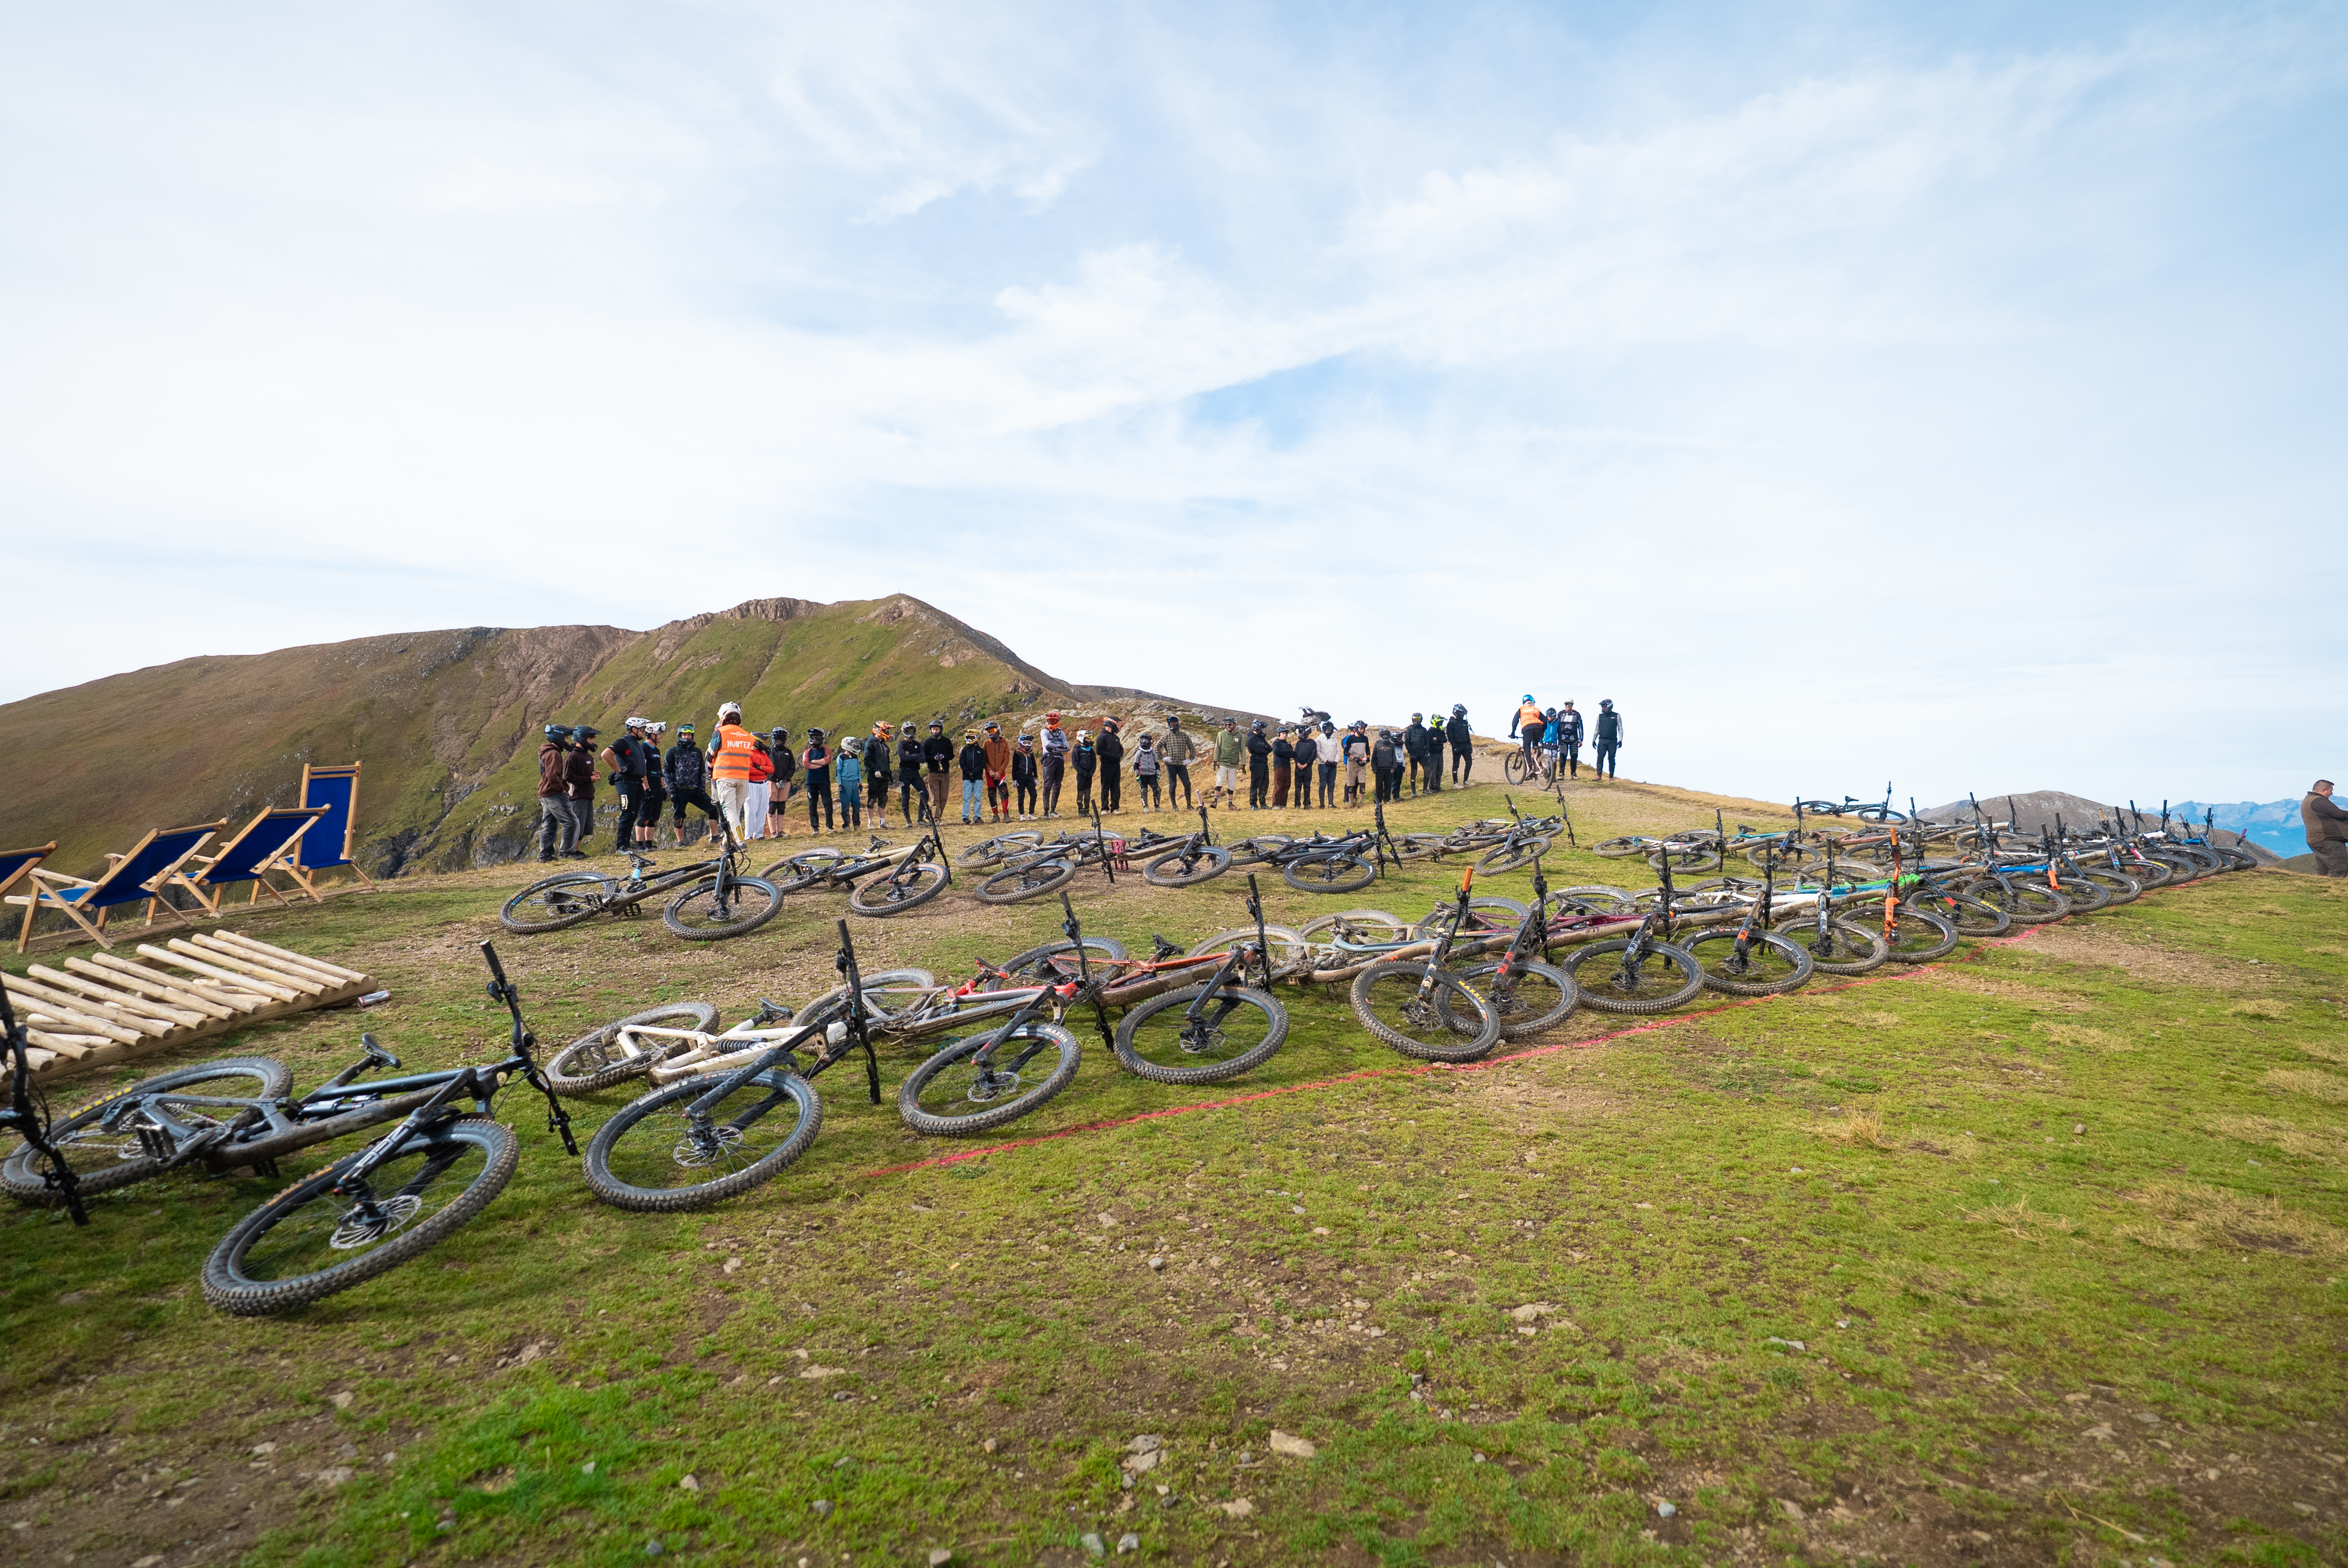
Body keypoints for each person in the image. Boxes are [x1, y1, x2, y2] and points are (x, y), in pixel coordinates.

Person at [706, 704, 759, 843]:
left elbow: (710, 756)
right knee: (736, 811)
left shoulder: (720, 733)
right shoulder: (747, 735)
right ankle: (726, 840)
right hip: (743, 778)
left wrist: (711, 769)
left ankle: (739, 840)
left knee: (729, 811)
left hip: (725, 777)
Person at [602, 716, 655, 855]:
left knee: (633, 814)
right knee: (627, 812)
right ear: (634, 729)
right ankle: (621, 846)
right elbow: (606, 754)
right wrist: (619, 770)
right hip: (625, 783)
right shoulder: (623, 742)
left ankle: (626, 845)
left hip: (637, 782)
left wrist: (646, 785)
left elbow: (641, 766)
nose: (644, 732)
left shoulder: (636, 744)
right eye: (642, 729)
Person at [665, 721, 720, 847]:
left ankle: (715, 837)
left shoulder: (698, 752)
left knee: (713, 809)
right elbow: (667, 771)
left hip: (696, 790)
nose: (687, 737)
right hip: (679, 790)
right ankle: (681, 842)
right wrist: (672, 790)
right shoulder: (672, 752)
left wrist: (701, 787)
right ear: (680, 735)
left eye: (689, 735)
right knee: (679, 815)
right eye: (684, 735)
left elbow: (702, 771)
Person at [536, 725, 578, 861]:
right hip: (553, 793)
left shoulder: (546, 752)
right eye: (565, 737)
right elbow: (553, 776)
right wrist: (562, 789)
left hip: (545, 793)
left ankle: (545, 855)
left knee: (549, 824)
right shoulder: (554, 753)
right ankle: (567, 852)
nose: (567, 741)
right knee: (571, 822)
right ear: (559, 737)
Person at [564, 723, 600, 852]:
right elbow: (568, 777)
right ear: (582, 739)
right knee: (576, 825)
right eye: (591, 739)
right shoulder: (572, 756)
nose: (592, 742)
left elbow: (582, 774)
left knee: (585, 827)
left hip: (588, 795)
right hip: (577, 796)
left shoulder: (588, 756)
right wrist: (588, 779)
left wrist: (593, 776)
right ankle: (570, 851)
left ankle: (577, 851)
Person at [636, 722, 670, 850]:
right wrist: (646, 788)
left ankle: (649, 844)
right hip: (648, 784)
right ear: (651, 735)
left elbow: (659, 770)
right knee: (644, 816)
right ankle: (640, 845)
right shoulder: (643, 749)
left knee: (654, 817)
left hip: (657, 785)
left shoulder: (656, 750)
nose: (661, 736)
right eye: (659, 734)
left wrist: (663, 788)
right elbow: (642, 769)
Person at [2304, 780, 2348, 877]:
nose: (2332, 793)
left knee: (2324, 871)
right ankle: (2333, 891)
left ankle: (2320, 891)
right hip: (2328, 841)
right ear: (2324, 790)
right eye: (2331, 790)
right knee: (2339, 870)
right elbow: (2339, 814)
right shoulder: (2319, 801)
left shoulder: (2309, 800)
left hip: (2318, 841)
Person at [742, 724, 773, 840]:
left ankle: (759, 834)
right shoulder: (749, 754)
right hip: (752, 784)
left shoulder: (764, 755)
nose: (765, 744)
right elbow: (750, 770)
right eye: (763, 742)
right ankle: (748, 835)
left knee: (763, 808)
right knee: (751, 809)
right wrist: (763, 770)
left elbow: (771, 769)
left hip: (763, 784)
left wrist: (760, 768)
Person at [801, 729, 835, 833]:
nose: (815, 740)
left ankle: (830, 826)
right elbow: (806, 765)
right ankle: (815, 828)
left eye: (817, 738)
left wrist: (813, 762)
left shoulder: (827, 750)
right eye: (813, 738)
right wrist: (821, 764)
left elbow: (828, 761)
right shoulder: (807, 752)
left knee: (828, 803)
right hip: (811, 782)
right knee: (812, 804)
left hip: (824, 781)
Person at [1160, 715, 1196, 808]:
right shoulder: (1166, 737)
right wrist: (1163, 758)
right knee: (1173, 784)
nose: (1172, 725)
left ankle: (1189, 805)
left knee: (1187, 784)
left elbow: (1192, 748)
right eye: (1171, 724)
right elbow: (1156, 747)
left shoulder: (1184, 736)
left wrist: (1190, 759)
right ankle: (1174, 806)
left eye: (1174, 724)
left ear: (1178, 724)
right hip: (1171, 765)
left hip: (1182, 764)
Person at [922, 720, 954, 825]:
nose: (935, 731)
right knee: (935, 797)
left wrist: (944, 757)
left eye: (937, 729)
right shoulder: (927, 743)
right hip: (933, 773)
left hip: (945, 773)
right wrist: (934, 758)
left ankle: (939, 817)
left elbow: (952, 755)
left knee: (944, 797)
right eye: (933, 729)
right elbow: (924, 758)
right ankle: (936, 819)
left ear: (941, 730)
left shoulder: (947, 741)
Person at [768, 728, 796, 839]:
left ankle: (780, 831)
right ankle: (773, 832)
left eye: (781, 739)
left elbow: (792, 767)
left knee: (782, 806)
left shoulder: (788, 752)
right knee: (772, 805)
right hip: (772, 781)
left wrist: (785, 779)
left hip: (785, 782)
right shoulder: (769, 751)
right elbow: (767, 767)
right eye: (777, 739)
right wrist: (775, 779)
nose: (779, 741)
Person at [897, 717, 926, 827]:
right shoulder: (901, 744)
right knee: (906, 795)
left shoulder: (918, 745)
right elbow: (903, 757)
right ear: (904, 732)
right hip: (904, 772)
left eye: (912, 731)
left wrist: (911, 756)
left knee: (925, 794)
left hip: (915, 772)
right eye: (908, 731)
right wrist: (916, 756)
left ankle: (920, 819)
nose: (911, 733)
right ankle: (908, 820)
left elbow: (923, 759)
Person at [981, 721, 1012, 823]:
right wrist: (989, 770)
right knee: (991, 794)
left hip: (1001, 774)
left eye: (993, 730)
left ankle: (1006, 814)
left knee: (1004, 792)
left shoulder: (1004, 743)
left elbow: (1006, 759)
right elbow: (984, 759)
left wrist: (999, 772)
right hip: (989, 774)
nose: (992, 733)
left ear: (998, 730)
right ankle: (995, 815)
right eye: (989, 731)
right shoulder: (986, 743)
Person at [1039, 712, 1069, 817]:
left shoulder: (1061, 733)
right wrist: (1059, 746)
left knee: (1057, 785)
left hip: (1059, 760)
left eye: (1053, 721)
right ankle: (1046, 812)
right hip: (1049, 759)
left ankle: (1053, 811)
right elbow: (1047, 744)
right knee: (1048, 784)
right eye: (1049, 721)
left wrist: (1055, 747)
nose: (1051, 723)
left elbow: (1068, 747)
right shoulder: (1044, 731)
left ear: (1058, 722)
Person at [863, 722, 893, 824]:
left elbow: (887, 761)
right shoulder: (870, 743)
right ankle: (870, 822)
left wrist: (889, 774)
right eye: (886, 731)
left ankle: (882, 822)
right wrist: (875, 770)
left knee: (883, 797)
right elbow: (867, 759)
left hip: (884, 774)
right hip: (874, 775)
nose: (888, 733)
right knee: (872, 797)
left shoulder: (884, 745)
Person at [1212, 718, 1244, 808]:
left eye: (1229, 724)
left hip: (1233, 764)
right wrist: (1215, 760)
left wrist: (1243, 764)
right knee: (1219, 780)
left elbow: (1242, 750)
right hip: (1222, 762)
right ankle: (1215, 801)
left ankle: (1230, 804)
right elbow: (1217, 747)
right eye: (1226, 725)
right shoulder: (1221, 734)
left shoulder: (1240, 736)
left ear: (1234, 725)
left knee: (1231, 783)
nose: (1227, 726)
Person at [1510, 694, 1544, 776]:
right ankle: (1541, 765)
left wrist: (1513, 733)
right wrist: (1542, 731)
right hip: (1538, 728)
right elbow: (1545, 721)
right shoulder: (1536, 710)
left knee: (1527, 747)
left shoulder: (1521, 710)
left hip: (1527, 729)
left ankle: (1531, 769)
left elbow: (1515, 722)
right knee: (1536, 746)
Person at [1096, 718, 1125, 813]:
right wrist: (1112, 756)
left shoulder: (1116, 738)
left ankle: (1115, 808)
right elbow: (1099, 750)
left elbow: (1121, 749)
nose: (1118, 726)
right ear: (1111, 724)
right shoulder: (1102, 737)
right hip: (1106, 765)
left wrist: (1119, 755)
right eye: (1117, 724)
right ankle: (1104, 808)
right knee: (1105, 787)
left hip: (1116, 765)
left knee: (1116, 787)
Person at [957, 730, 987, 824]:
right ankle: (965, 817)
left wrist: (974, 772)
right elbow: (962, 763)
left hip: (978, 778)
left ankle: (977, 817)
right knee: (967, 798)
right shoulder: (965, 751)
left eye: (972, 738)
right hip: (967, 778)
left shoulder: (981, 751)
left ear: (977, 739)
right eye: (968, 738)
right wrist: (968, 773)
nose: (969, 740)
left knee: (978, 798)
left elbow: (983, 764)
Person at [834, 736, 863, 829]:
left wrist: (860, 783)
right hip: (846, 783)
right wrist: (840, 784)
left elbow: (858, 770)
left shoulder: (855, 757)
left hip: (855, 783)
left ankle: (856, 825)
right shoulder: (842, 757)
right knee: (845, 805)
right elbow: (838, 771)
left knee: (856, 804)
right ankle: (846, 825)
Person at [1342, 721, 1371, 807]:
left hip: (1362, 762)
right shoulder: (1351, 739)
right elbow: (1345, 752)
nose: (1362, 730)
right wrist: (1353, 757)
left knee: (1362, 782)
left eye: (1363, 729)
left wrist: (1368, 757)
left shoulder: (1365, 739)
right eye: (1361, 729)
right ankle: (1351, 802)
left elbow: (1368, 749)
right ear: (1357, 729)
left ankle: (1361, 802)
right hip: (1352, 763)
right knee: (1351, 782)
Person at [1593, 699, 1624, 781]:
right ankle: (1599, 776)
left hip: (1612, 741)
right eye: (1602, 706)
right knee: (1600, 757)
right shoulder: (1600, 716)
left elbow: (1620, 729)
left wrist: (1620, 740)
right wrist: (1594, 740)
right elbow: (1597, 729)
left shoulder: (1617, 716)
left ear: (1610, 706)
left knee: (1611, 758)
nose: (1603, 708)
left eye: (1605, 706)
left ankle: (1611, 777)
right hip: (1602, 740)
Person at [1012, 733, 1040, 819]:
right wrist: (1014, 779)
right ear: (1020, 743)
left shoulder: (1031, 753)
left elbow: (1034, 765)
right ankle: (1022, 815)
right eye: (1025, 743)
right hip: (1020, 776)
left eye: (1029, 743)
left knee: (1034, 794)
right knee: (1021, 795)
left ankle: (1031, 814)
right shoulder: (1017, 753)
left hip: (1030, 776)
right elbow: (1014, 766)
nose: (1027, 745)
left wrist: (1036, 777)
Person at [1245, 719, 1271, 809]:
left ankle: (1263, 803)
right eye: (1262, 729)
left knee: (1265, 783)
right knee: (1255, 783)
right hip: (1256, 763)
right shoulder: (1252, 738)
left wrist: (1263, 749)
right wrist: (1264, 749)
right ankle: (1253, 803)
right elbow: (1258, 750)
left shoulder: (1261, 738)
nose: (1263, 730)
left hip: (1264, 762)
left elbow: (1269, 748)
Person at [1291, 724, 1317, 811]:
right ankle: (1297, 804)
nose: (1300, 734)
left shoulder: (1313, 743)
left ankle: (1307, 804)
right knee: (1297, 787)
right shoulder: (1299, 743)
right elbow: (1295, 755)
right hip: (1298, 769)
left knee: (1307, 787)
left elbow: (1313, 756)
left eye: (1301, 732)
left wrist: (1306, 765)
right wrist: (1298, 764)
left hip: (1308, 769)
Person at [1073, 729, 1098, 816]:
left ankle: (1087, 809)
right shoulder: (1077, 750)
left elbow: (1094, 763)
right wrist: (1082, 772)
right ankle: (1080, 809)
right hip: (1081, 775)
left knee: (1088, 792)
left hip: (1089, 775)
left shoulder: (1091, 751)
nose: (1090, 740)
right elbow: (1075, 763)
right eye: (1088, 739)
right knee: (1081, 791)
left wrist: (1091, 773)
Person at [1403, 714, 1430, 796]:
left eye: (1418, 719)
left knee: (1428, 770)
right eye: (1415, 719)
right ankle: (1413, 791)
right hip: (1414, 755)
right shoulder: (1409, 730)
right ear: (1412, 719)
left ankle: (1425, 789)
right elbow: (1407, 742)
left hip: (1422, 754)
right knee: (1414, 773)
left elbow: (1427, 742)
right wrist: (1411, 753)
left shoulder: (1424, 730)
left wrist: (1426, 753)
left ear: (1421, 720)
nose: (1416, 721)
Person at [1134, 733, 1162, 810]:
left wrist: (1158, 774)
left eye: (1146, 740)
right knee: (1144, 790)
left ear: (1150, 741)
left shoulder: (1152, 752)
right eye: (1143, 740)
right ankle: (1145, 807)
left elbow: (1156, 763)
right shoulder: (1139, 752)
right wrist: (1137, 775)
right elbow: (1136, 765)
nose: (1145, 742)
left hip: (1152, 774)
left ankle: (1157, 807)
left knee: (1157, 790)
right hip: (1143, 774)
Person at [1446, 705, 1472, 785]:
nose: (1462, 715)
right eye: (1460, 713)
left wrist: (1470, 745)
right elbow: (1450, 736)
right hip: (1457, 746)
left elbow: (1467, 735)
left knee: (1469, 763)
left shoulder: (1464, 723)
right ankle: (1455, 782)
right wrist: (1455, 746)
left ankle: (1466, 780)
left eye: (1463, 713)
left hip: (1466, 746)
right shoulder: (1451, 723)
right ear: (1456, 712)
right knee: (1456, 764)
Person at [1316, 719, 1340, 808]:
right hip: (1323, 764)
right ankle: (1322, 804)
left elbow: (1338, 751)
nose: (1329, 730)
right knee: (1323, 784)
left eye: (1330, 728)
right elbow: (1318, 752)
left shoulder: (1334, 739)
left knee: (1332, 784)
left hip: (1333, 765)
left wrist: (1336, 761)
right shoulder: (1319, 739)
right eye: (1327, 728)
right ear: (1323, 729)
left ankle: (1331, 803)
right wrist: (1325, 760)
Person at [1557, 701, 1584, 779]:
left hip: (1574, 739)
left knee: (1574, 756)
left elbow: (1580, 727)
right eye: (1566, 704)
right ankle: (1561, 774)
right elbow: (1556, 726)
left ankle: (1573, 774)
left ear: (1572, 705)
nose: (1568, 706)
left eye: (1569, 704)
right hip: (1563, 739)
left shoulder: (1576, 714)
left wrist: (1581, 739)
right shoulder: (1561, 714)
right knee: (1562, 756)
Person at [1422, 709, 1445, 793]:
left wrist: (1437, 739)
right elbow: (1430, 741)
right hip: (1433, 753)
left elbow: (1445, 740)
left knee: (1440, 770)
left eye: (1441, 722)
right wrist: (1439, 741)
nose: (1441, 724)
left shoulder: (1441, 731)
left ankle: (1438, 786)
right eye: (1439, 722)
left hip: (1440, 753)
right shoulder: (1431, 731)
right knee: (1433, 770)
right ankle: (1432, 787)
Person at [1271, 726, 1294, 807]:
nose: (1285, 735)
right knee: (1278, 785)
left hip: (1287, 767)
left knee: (1287, 785)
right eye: (1283, 733)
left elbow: (1292, 754)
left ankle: (1283, 804)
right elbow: (1277, 752)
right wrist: (1287, 752)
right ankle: (1275, 804)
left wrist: (1285, 753)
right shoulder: (1276, 743)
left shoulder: (1288, 744)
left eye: (1286, 734)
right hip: (1279, 767)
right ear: (1279, 734)